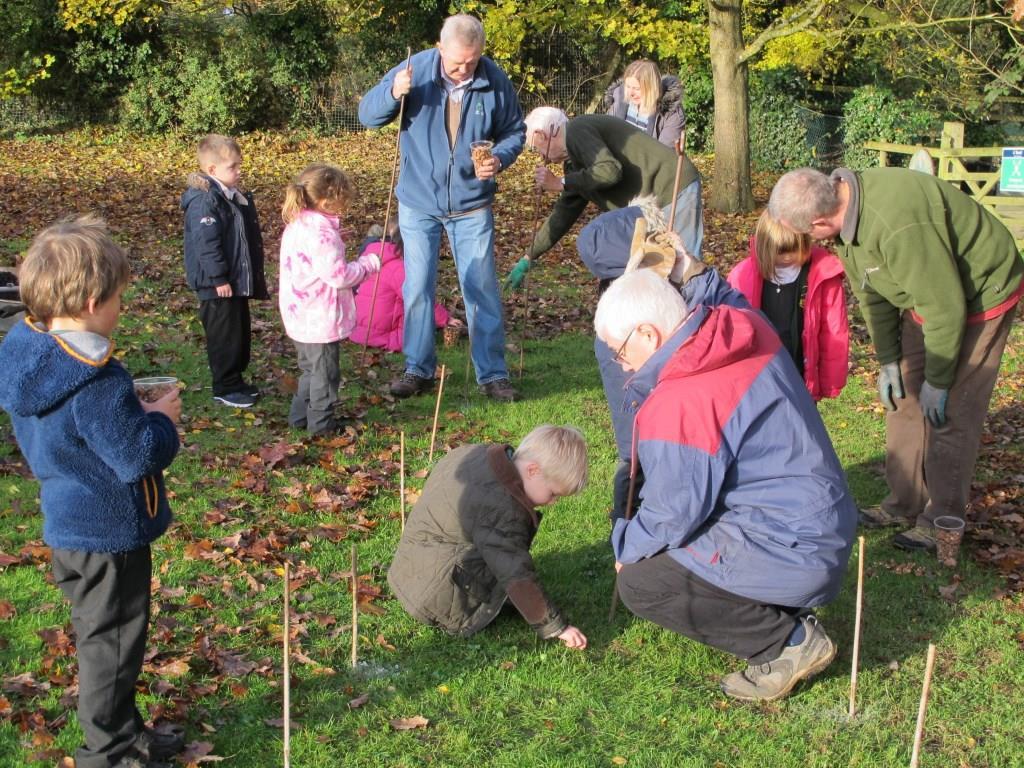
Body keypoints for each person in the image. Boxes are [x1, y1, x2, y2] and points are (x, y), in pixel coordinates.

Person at [595, 269, 856, 702]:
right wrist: (693, 270)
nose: (621, 365)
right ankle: (773, 602)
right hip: (819, 526)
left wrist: (626, 547)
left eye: (619, 352)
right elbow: (727, 294)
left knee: (643, 581)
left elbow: (671, 514)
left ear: (648, 333)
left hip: (793, 548)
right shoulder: (741, 327)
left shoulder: (682, 400)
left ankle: (787, 641)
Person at [0, 215, 184, 768]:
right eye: (118, 302)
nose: (120, 313)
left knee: (109, 640)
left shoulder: (27, 349)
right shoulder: (95, 379)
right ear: (88, 302)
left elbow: (85, 434)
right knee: (112, 647)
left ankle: (125, 732)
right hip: (109, 536)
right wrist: (161, 422)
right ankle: (106, 751)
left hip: (69, 527)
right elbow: (135, 456)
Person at [768, 167, 1023, 552]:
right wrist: (888, 359)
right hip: (928, 294)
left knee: (950, 411)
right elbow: (873, 293)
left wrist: (938, 382)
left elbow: (945, 307)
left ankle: (941, 521)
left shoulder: (897, 226)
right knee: (903, 395)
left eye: (806, 234)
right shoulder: (845, 217)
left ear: (821, 220)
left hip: (979, 293)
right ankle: (904, 502)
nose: (806, 242)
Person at [358, 14, 525, 403]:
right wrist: (393, 93)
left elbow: (515, 130)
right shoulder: (413, 70)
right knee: (417, 287)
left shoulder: (493, 79)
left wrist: (498, 158)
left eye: (472, 61)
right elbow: (368, 115)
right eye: (457, 62)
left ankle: (492, 374)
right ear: (440, 47)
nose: (464, 69)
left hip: (471, 204)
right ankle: (417, 368)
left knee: (480, 288)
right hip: (418, 202)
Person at [575, 201, 746, 518]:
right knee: (641, 493)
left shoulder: (633, 299)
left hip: (670, 438)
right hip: (653, 445)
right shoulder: (624, 323)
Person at [388, 425, 589, 649]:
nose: (552, 502)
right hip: (436, 597)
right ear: (532, 470)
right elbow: (513, 570)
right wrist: (555, 626)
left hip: (410, 569)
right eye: (553, 494)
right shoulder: (504, 509)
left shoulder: (475, 454)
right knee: (506, 563)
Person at [505, 108, 703, 291]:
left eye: (536, 147)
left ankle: (702, 316)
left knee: (684, 266)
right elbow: (562, 215)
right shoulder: (574, 163)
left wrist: (561, 182)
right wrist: (528, 257)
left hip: (672, 185)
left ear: (543, 135)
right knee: (661, 269)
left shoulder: (577, 130)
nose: (542, 157)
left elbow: (609, 170)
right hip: (652, 202)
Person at [278, 164, 381, 436]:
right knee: (325, 374)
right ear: (326, 201)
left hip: (300, 315)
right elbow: (339, 276)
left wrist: (336, 239)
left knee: (310, 370)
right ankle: (322, 426)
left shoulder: (300, 223)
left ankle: (299, 417)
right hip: (319, 319)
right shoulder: (322, 235)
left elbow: (315, 259)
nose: (345, 205)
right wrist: (368, 264)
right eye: (343, 200)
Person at [181, 134, 269, 409]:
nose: (239, 171)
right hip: (217, 284)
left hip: (234, 280)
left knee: (238, 333)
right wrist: (218, 277)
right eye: (233, 166)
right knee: (224, 335)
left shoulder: (230, 197)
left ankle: (235, 379)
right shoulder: (206, 201)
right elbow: (206, 242)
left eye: (239, 165)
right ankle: (225, 385)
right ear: (212, 170)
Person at [727, 210, 849, 401]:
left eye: (792, 249)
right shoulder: (742, 276)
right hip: (758, 377)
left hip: (800, 371)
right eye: (780, 251)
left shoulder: (823, 276)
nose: (786, 257)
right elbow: (731, 331)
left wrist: (830, 381)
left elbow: (834, 331)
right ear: (765, 248)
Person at [349, 219, 451, 353]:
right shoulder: (398, 269)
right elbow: (419, 297)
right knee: (415, 305)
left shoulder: (373, 257)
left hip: (357, 330)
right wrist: (446, 319)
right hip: (383, 335)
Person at [603, 59, 685, 149]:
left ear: (652, 88)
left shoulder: (671, 115)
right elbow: (605, 135)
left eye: (637, 89)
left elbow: (664, 156)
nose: (631, 93)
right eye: (628, 87)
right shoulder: (618, 101)